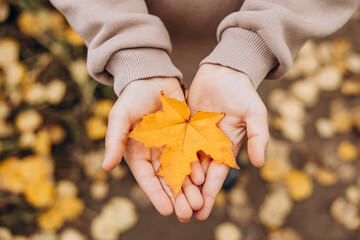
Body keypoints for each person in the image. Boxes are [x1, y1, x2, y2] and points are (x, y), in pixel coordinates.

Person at [50, 0, 360, 222]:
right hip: (135, 30)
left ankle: (209, 156)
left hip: (246, 30)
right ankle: (155, 147)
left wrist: (250, 49)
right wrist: (132, 54)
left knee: (229, 96)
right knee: (154, 92)